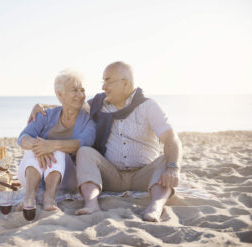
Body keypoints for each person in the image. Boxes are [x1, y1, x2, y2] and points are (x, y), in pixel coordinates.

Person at [29, 61, 182, 221]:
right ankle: (91, 203)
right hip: (111, 176)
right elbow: (70, 106)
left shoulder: (149, 107)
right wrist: (42, 106)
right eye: (103, 81)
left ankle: (156, 206)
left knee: (169, 159)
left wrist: (173, 168)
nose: (103, 87)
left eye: (108, 81)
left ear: (126, 83)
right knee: (85, 151)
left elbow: (171, 138)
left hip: (144, 176)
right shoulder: (99, 104)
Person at [17, 69, 96, 211]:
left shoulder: (88, 119)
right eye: (75, 90)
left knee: (59, 152)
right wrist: (38, 146)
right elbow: (23, 137)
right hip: (32, 175)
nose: (80, 95)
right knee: (33, 149)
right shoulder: (45, 115)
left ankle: (49, 197)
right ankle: (29, 197)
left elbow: (84, 142)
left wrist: (51, 146)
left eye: (82, 90)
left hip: (65, 177)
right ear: (60, 94)